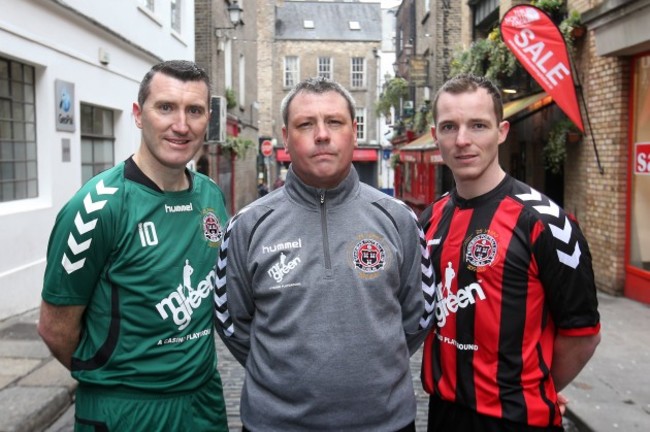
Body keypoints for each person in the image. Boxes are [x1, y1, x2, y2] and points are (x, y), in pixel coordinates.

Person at [213, 76, 435, 431]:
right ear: (286, 137)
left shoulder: (397, 218)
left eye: (334, 122)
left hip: (385, 423)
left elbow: (418, 317)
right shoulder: (248, 225)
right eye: (306, 124)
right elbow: (231, 323)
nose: (321, 134)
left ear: (354, 131)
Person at [38, 60, 230, 431]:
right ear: (139, 115)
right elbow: (55, 329)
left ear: (208, 119)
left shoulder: (211, 197)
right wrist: (112, 379)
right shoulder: (97, 207)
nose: (181, 125)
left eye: (194, 111)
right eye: (166, 108)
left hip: (203, 403)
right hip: (125, 411)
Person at [419, 74, 601, 431]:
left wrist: (534, 389)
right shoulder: (431, 218)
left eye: (478, 125)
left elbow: (583, 335)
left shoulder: (545, 223)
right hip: (443, 416)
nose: (462, 140)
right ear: (435, 135)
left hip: (518, 422)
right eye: (449, 127)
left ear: (502, 131)